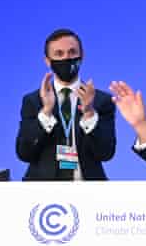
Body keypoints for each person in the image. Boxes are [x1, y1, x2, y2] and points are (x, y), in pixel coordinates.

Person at [16, 29, 116, 180]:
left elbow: (106, 153)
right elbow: (24, 153)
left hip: (89, 191)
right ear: (48, 61)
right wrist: (46, 112)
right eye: (59, 54)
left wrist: (89, 113)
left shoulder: (101, 101)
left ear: (82, 56)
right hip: (42, 193)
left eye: (72, 52)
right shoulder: (33, 101)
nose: (66, 58)